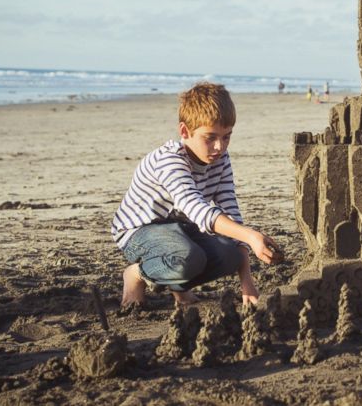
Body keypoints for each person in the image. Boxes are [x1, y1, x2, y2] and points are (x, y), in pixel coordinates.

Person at [111, 82, 281, 308]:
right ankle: (136, 274)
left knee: (230, 255)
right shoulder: (170, 160)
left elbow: (230, 212)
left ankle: (178, 287)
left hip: (181, 229)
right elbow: (195, 208)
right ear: (185, 131)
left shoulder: (221, 160)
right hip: (140, 231)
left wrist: (247, 282)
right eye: (210, 137)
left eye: (227, 136)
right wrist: (251, 236)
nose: (220, 147)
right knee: (189, 257)